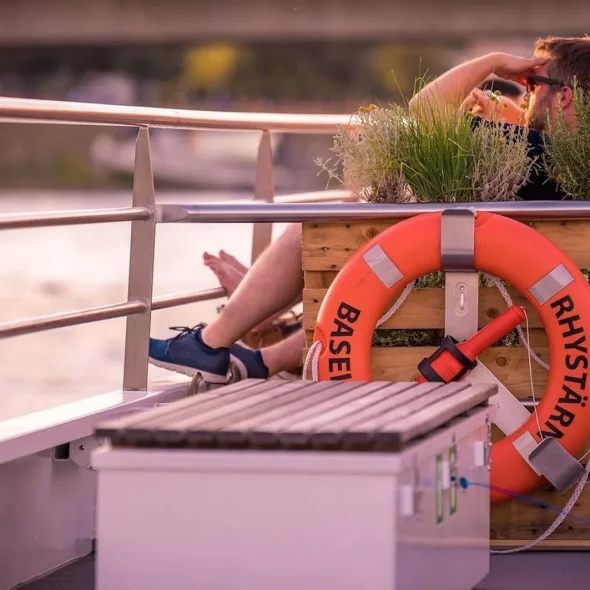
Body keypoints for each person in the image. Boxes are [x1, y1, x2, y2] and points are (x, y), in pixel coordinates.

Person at [149, 36, 590, 384]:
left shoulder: (539, 152)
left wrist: (492, 62)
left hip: (469, 323)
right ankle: (263, 333)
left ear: (566, 98)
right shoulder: (570, 161)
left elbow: (424, 112)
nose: (526, 95)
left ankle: (215, 341)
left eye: (533, 85)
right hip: (529, 325)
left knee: (325, 231)